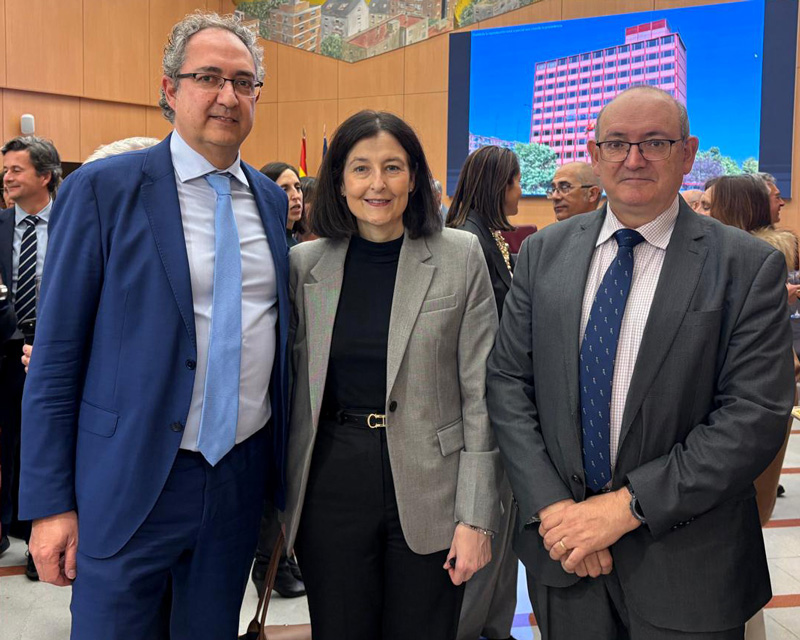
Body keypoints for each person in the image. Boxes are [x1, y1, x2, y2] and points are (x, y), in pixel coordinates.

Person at [19, 12, 290, 640]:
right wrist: (51, 505)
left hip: (237, 480)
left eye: (243, 82)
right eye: (208, 78)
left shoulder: (270, 201)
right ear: (170, 89)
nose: (228, 96)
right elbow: (57, 358)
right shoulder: (103, 190)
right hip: (128, 478)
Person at [487, 85, 794, 639]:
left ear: (687, 153)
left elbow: (753, 415)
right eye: (616, 144)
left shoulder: (746, 266)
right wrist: (556, 511)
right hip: (567, 560)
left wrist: (624, 508)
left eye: (655, 142)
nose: (633, 159)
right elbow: (509, 382)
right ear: (595, 153)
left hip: (690, 568)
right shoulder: (543, 253)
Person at [285, 110, 501, 640]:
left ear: (415, 178)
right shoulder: (305, 265)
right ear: (339, 181)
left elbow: (481, 393)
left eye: (393, 167)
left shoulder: (460, 255)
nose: (377, 184)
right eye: (360, 168)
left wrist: (476, 517)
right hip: (332, 481)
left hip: (433, 485)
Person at [446, 144, 521, 640]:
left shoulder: (489, 234)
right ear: (499, 184)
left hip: (502, 401)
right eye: (516, 181)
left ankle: (494, 627)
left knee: (503, 527)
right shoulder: (466, 239)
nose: (522, 191)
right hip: (480, 408)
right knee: (483, 527)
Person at [0, 135, 62, 577]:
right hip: (5, 351)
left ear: (45, 176)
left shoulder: (76, 222)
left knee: (44, 446)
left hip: (54, 353)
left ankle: (40, 540)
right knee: (7, 447)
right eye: (5, 170)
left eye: (16, 169)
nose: (7, 177)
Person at [262, 161, 304, 248]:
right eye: (284, 189)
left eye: (298, 188)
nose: (296, 196)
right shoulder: (264, 243)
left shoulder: (295, 243)